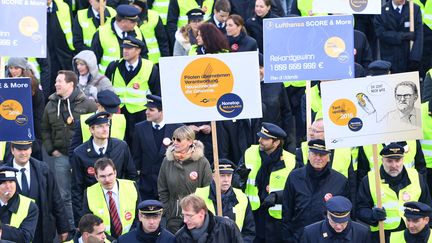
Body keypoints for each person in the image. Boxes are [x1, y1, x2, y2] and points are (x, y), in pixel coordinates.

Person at [41, 70, 97, 228]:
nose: (55, 84)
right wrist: (51, 150)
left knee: (87, 192)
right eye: (56, 81)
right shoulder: (51, 104)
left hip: (84, 158)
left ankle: (91, 226)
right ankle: (73, 228)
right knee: (64, 194)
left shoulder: (88, 104)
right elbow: (44, 129)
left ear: (71, 84)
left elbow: (97, 128)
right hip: (62, 156)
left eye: (59, 81)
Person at [356, 143, 432, 242]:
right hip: (383, 235)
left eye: (397, 160)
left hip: (411, 234)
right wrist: (372, 216)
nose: (394, 165)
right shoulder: (370, 180)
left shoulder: (416, 176)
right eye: (389, 161)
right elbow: (360, 209)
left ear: (403, 160)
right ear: (382, 160)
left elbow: (427, 206)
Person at [71, 112, 137, 223]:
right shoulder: (79, 153)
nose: (105, 129)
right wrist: (79, 220)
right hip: (94, 204)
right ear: (91, 130)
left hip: (120, 200)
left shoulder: (121, 147)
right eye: (100, 126)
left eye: (107, 125)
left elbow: (132, 176)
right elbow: (76, 188)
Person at [238, 122, 297, 242]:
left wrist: (277, 196)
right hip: (254, 214)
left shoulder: (291, 161)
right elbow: (236, 181)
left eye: (265, 139)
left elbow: (295, 190)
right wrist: (240, 178)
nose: (260, 140)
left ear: (276, 142)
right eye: (260, 136)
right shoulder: (249, 152)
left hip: (277, 219)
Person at [282, 139, 350, 243]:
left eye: (322, 154)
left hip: (328, 238)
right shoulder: (294, 177)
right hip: (298, 236)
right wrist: (288, 238)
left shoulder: (340, 181)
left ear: (328, 157)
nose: (318, 158)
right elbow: (287, 211)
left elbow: (346, 214)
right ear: (308, 155)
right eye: (314, 154)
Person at [6, 141, 72, 243]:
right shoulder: (3, 173)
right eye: (19, 149)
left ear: (31, 149)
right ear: (12, 150)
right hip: (14, 233)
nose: (23, 153)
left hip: (41, 231)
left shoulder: (43, 169)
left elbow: (56, 199)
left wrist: (62, 228)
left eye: (26, 149)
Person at [105, 36, 161, 146]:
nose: (125, 51)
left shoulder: (150, 67)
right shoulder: (114, 66)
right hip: (118, 113)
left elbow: (157, 92)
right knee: (119, 143)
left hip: (140, 113)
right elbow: (106, 89)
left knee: (139, 144)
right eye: (124, 48)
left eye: (129, 48)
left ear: (138, 50)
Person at [157, 125, 212, 233]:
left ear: (190, 141)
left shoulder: (202, 162)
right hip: (174, 217)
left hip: (196, 217)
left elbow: (208, 189)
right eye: (173, 139)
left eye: (179, 139)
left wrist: (199, 213)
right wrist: (168, 210)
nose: (175, 142)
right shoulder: (167, 161)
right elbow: (162, 189)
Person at [133, 94, 183, 200]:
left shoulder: (178, 128)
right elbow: (136, 157)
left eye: (151, 109)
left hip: (170, 185)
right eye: (147, 109)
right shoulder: (140, 128)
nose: (146, 112)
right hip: (147, 186)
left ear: (161, 112)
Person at [195, 159, 255, 242]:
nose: (226, 180)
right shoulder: (199, 196)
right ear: (213, 176)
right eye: (222, 175)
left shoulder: (242, 197)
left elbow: (249, 231)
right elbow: (193, 229)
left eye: (229, 175)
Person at [82, 158, 141, 239]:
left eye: (110, 175)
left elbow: (140, 216)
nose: (107, 180)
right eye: (102, 176)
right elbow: (89, 224)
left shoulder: (131, 186)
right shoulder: (89, 193)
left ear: (115, 173)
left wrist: (127, 238)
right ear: (96, 176)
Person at [6, 58, 45, 161]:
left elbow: (38, 113)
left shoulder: (33, 85)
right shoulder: (5, 84)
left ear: (23, 69)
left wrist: (37, 138)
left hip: (30, 129)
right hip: (11, 129)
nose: (13, 71)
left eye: (16, 68)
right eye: (10, 68)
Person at [91, 4, 149, 73]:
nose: (136, 24)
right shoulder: (101, 33)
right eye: (132, 22)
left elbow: (144, 54)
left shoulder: (137, 31)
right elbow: (93, 62)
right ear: (123, 21)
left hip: (133, 79)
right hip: (108, 80)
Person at [69, 89, 127, 157]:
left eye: (113, 112)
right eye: (108, 111)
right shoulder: (82, 122)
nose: (111, 115)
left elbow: (124, 149)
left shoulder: (121, 120)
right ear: (98, 105)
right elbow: (73, 150)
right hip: (89, 164)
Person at [374, 0, 423, 73]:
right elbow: (381, 34)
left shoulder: (414, 9)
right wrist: (402, 36)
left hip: (408, 58)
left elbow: (419, 36)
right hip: (389, 58)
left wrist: (415, 57)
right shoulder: (382, 11)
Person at [175, 194, 243, 242]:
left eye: (189, 216)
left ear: (201, 213)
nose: (185, 220)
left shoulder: (227, 227)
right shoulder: (180, 237)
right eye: (183, 215)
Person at [302, 196, 370, 242]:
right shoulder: (310, 233)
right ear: (328, 216)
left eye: (343, 222)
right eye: (334, 222)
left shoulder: (362, 233)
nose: (338, 226)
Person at [0, 166, 39, 243]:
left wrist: (2, 230)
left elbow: (26, 237)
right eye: (4, 183)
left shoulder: (29, 206)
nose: (8, 186)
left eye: (11, 182)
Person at [47, 0, 76, 97]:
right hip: (46, 55)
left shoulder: (63, 6)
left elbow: (70, 28)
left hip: (63, 53)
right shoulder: (33, 7)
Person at [133, 0, 170, 64]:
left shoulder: (154, 16)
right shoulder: (126, 18)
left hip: (154, 61)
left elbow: (162, 41)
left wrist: (166, 62)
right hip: (133, 62)